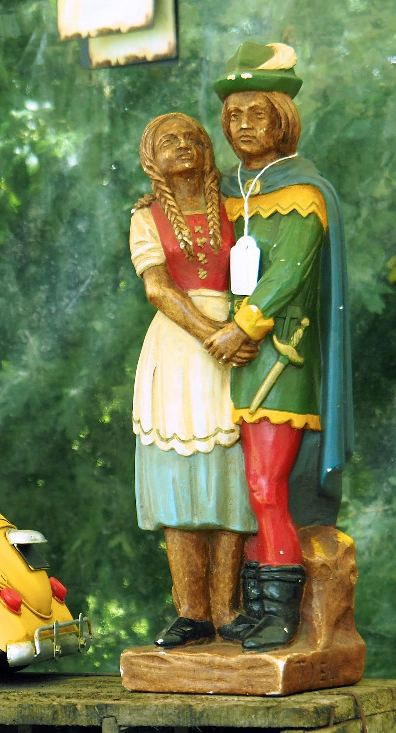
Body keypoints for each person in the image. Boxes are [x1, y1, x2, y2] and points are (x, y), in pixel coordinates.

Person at [204, 43, 354, 652]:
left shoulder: (304, 192)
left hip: (279, 358)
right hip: (226, 360)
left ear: (283, 120)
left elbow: (288, 272)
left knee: (268, 486)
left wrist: (243, 327)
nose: (244, 125)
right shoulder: (227, 189)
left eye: (257, 114)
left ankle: (281, 611)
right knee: (247, 493)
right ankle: (255, 606)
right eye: (234, 115)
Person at [130, 113, 259, 649]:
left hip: (238, 341)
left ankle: (228, 610)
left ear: (208, 151)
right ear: (151, 159)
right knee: (178, 478)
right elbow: (158, 288)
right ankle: (191, 611)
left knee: (232, 478)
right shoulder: (146, 218)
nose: (183, 146)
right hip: (182, 348)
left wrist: (242, 329)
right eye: (169, 141)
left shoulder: (236, 208)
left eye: (193, 139)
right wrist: (214, 335)